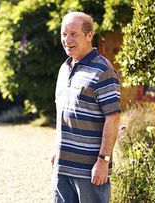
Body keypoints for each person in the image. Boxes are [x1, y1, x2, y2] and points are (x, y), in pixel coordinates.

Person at [52, 11, 121, 203]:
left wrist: (103, 161)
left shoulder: (103, 70)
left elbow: (113, 118)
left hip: (90, 171)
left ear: (89, 35)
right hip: (62, 167)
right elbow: (64, 114)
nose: (67, 40)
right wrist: (57, 150)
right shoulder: (64, 68)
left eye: (74, 34)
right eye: (64, 34)